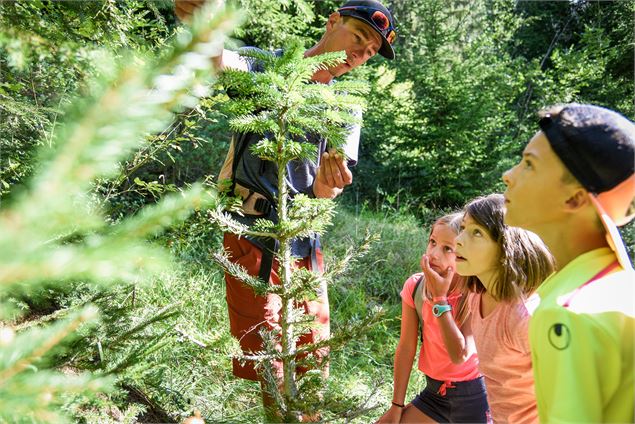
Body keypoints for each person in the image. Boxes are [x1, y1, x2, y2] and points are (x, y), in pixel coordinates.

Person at [174, 0, 397, 410]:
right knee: (268, 352)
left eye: (368, 53)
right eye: (359, 38)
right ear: (333, 22)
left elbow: (329, 190)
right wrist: (200, 21)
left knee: (313, 355)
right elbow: (215, 58)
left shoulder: (347, 103)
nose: (359, 55)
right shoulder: (270, 67)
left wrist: (329, 186)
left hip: (304, 243)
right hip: (251, 231)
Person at [502, 103, 635, 422]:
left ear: (575, 198)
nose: (508, 176)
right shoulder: (618, 287)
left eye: (528, 165)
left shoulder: (566, 314)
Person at [376, 213, 491, 424]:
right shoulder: (415, 287)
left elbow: (460, 354)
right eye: (432, 242)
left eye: (448, 248)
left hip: (476, 398)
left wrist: (440, 299)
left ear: (465, 253)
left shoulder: (476, 292)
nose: (434, 254)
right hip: (435, 395)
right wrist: (396, 406)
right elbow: (406, 348)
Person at [454, 194, 555, 423]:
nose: (458, 239)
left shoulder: (525, 318)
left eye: (476, 232)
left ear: (506, 247)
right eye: (462, 228)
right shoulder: (476, 296)